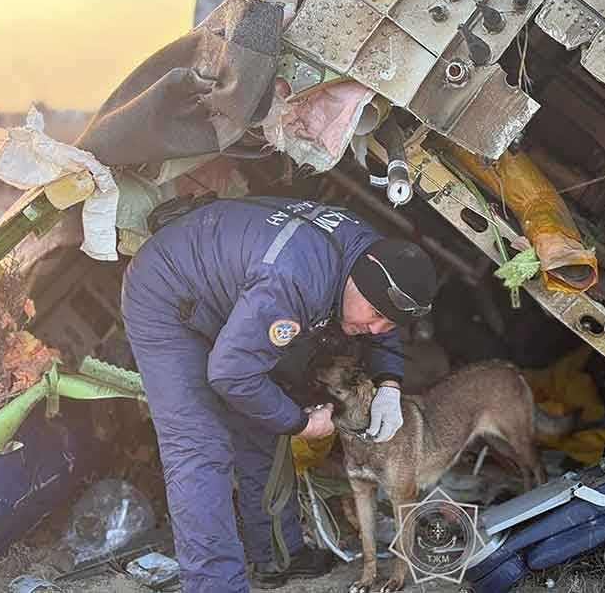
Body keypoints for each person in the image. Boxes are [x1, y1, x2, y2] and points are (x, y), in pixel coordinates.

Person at [120, 196, 438, 591]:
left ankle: (277, 557)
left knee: (261, 419)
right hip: (167, 295)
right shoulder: (295, 282)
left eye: (388, 322)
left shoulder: (374, 254)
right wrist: (302, 423)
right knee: (199, 447)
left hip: (230, 289)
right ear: (358, 281)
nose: (376, 329)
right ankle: (216, 586)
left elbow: (383, 324)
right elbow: (231, 374)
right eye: (375, 316)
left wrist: (389, 382)